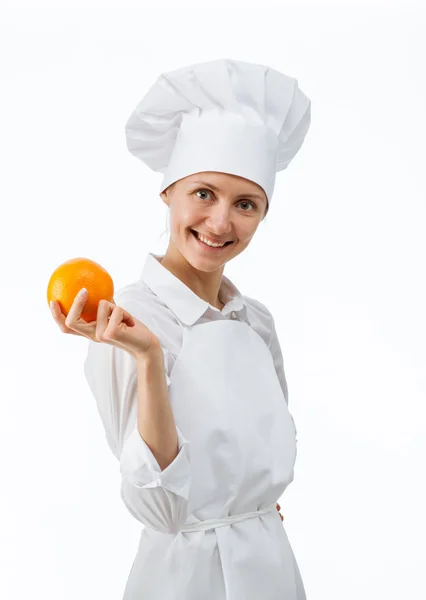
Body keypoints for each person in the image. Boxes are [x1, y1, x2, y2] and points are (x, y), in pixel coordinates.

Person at [51, 58, 311, 599]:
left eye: (246, 204)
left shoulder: (255, 320)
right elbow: (160, 506)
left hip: (272, 568)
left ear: (263, 215)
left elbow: (266, 462)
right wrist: (146, 357)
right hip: (184, 578)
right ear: (166, 192)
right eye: (203, 193)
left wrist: (253, 504)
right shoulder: (122, 319)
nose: (220, 223)